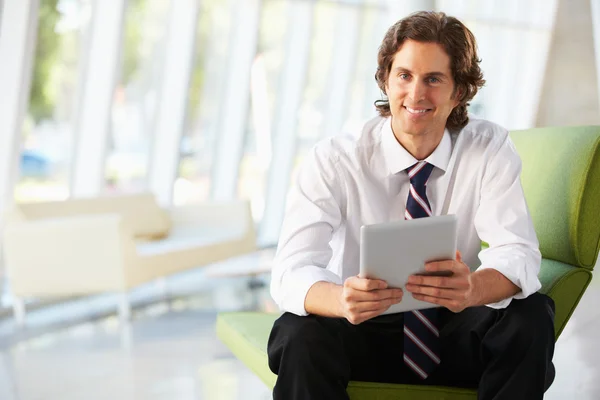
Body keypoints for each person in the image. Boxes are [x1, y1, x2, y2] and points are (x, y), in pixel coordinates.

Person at [267, 10, 555, 400]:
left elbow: (517, 252)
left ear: (459, 92)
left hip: (450, 329)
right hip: (360, 332)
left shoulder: (488, 148)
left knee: (530, 315)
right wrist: (341, 299)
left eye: (433, 79)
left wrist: (470, 289)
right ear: (386, 80)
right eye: (404, 76)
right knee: (296, 332)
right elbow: (290, 271)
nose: (416, 94)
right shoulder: (335, 159)